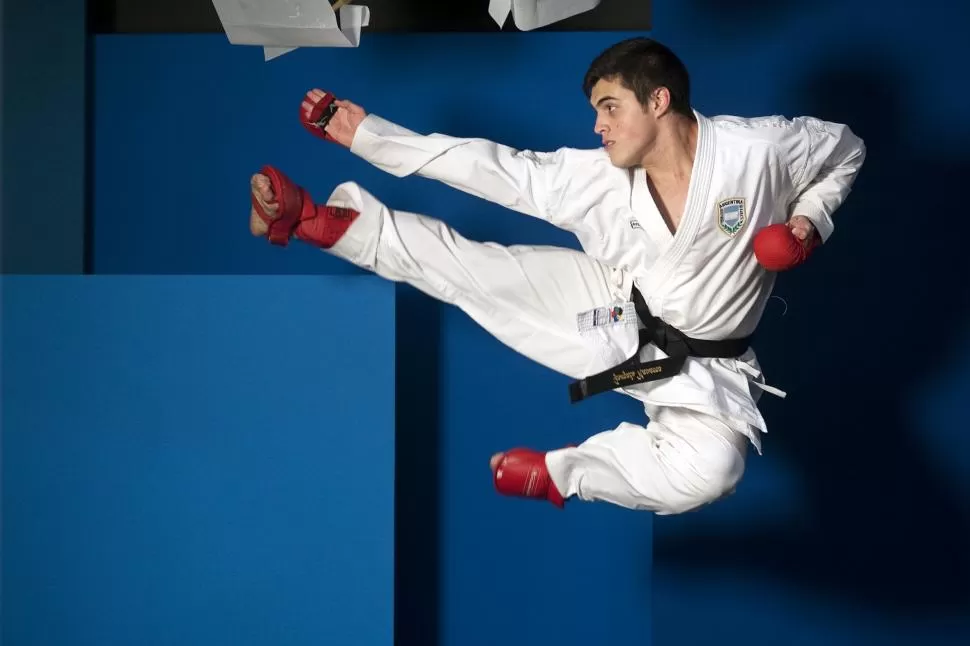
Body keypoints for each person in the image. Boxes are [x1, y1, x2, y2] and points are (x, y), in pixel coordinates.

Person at [248, 37, 866, 515]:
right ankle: (322, 221)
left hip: (708, 369)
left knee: (714, 473)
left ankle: (561, 474)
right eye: (596, 110)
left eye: (610, 108)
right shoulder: (598, 177)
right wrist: (371, 138)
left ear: (659, 100)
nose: (598, 126)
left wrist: (809, 222)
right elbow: (494, 168)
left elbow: (846, 150)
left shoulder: (759, 152)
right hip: (617, 310)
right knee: (477, 276)